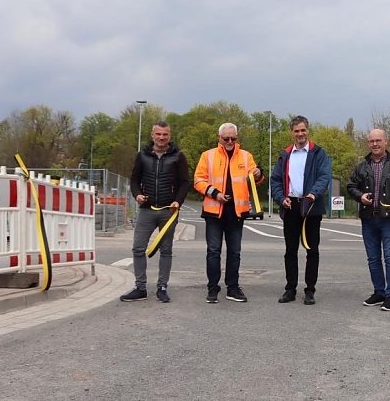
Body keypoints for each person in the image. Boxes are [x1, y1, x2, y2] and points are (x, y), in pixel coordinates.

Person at [194, 123, 265, 304]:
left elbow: (255, 179)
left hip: (236, 212)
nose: (230, 141)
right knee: (213, 251)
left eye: (233, 138)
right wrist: (215, 193)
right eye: (226, 138)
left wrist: (258, 174)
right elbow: (198, 181)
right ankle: (212, 288)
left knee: (234, 252)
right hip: (214, 212)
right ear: (219, 138)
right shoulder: (207, 156)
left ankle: (232, 287)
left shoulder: (246, 156)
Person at [120, 121, 190, 303]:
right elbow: (134, 180)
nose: (161, 138)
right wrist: (137, 195)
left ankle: (162, 287)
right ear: (152, 135)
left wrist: (178, 201)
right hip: (147, 210)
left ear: (169, 135)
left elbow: (184, 182)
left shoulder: (178, 156)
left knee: (166, 250)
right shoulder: (142, 155)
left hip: (168, 210)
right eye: (158, 134)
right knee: (138, 247)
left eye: (165, 134)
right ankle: (140, 287)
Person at [347, 129, 390, 311]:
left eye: (378, 141)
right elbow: (351, 186)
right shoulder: (362, 166)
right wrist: (360, 196)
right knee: (373, 258)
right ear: (368, 143)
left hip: (389, 219)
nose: (375, 144)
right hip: (368, 219)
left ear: (386, 142)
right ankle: (379, 292)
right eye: (371, 141)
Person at [270, 116, 332, 305]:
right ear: (292, 133)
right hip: (291, 206)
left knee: (312, 249)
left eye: (303, 130)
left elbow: (324, 176)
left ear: (308, 130)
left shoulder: (318, 153)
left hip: (311, 205)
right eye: (296, 131)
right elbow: (275, 180)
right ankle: (290, 288)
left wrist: (313, 194)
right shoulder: (285, 154)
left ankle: (310, 290)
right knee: (290, 250)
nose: (300, 134)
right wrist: (281, 198)